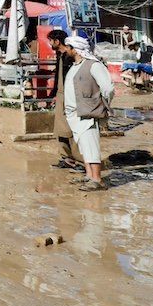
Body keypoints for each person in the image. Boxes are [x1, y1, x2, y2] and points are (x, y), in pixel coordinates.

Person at [64, 35, 115, 192]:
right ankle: (89, 175)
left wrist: (101, 104)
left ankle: (97, 180)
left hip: (88, 113)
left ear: (75, 49)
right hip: (75, 114)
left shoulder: (94, 65)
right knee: (84, 146)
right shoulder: (75, 66)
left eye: (68, 47)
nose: (66, 50)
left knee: (91, 145)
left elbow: (108, 88)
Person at [45, 29, 82, 170]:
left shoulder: (70, 56)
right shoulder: (59, 55)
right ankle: (66, 158)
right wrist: (52, 94)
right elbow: (58, 77)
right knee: (60, 129)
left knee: (72, 128)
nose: (49, 44)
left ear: (57, 41)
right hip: (60, 95)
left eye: (50, 41)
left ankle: (80, 160)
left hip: (70, 95)